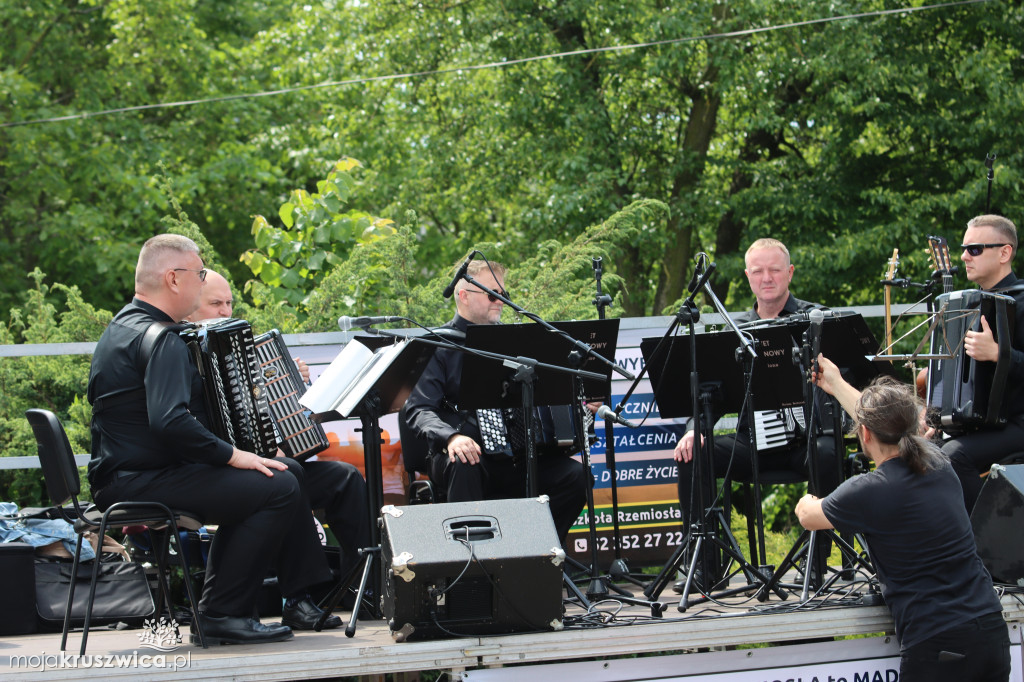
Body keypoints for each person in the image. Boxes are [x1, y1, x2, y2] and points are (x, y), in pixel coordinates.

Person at [87, 235, 337, 645]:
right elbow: (170, 423)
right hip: (139, 480)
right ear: (172, 278)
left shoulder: (122, 327)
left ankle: (291, 597)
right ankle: (222, 611)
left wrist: (235, 457)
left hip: (126, 475)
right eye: (199, 274)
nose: (203, 283)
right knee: (277, 485)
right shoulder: (161, 338)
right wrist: (234, 456)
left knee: (283, 471)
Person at [796, 355, 1009, 681]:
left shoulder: (867, 491)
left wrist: (809, 499)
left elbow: (808, 516)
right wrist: (835, 384)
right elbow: (885, 425)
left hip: (940, 642)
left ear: (864, 435)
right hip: (991, 629)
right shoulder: (939, 461)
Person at [672, 238, 841, 591]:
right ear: (748, 276)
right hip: (753, 444)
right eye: (758, 271)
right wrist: (694, 429)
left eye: (775, 270)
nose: (767, 278)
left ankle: (818, 560)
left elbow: (849, 380)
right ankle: (704, 566)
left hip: (804, 443)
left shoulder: (816, 320)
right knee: (692, 452)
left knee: (828, 451)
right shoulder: (735, 331)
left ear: (789, 273)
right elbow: (710, 397)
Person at [186, 270, 371, 580]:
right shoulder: (185, 356)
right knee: (290, 478)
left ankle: (363, 585)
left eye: (229, 303)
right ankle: (305, 594)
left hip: (266, 465)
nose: (225, 312)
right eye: (216, 303)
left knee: (344, 478)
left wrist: (294, 385)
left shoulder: (245, 354)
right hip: (220, 473)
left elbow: (275, 424)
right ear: (190, 305)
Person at [403, 260, 588, 543]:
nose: (501, 301)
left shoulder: (518, 342)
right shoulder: (439, 344)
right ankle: (474, 574)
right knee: (465, 463)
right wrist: (451, 437)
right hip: (466, 458)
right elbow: (418, 410)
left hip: (519, 457)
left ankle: (536, 553)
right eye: (492, 294)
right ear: (463, 296)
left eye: (505, 294)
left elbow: (545, 398)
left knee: (576, 476)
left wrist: (578, 404)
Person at [939, 214, 1024, 511]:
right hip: (979, 425)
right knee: (913, 453)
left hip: (1018, 422)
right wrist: (936, 416)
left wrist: (998, 353)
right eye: (964, 248)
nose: (964, 256)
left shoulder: (1022, 300)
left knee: (952, 457)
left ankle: (992, 546)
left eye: (975, 249)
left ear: (1004, 253)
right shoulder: (967, 304)